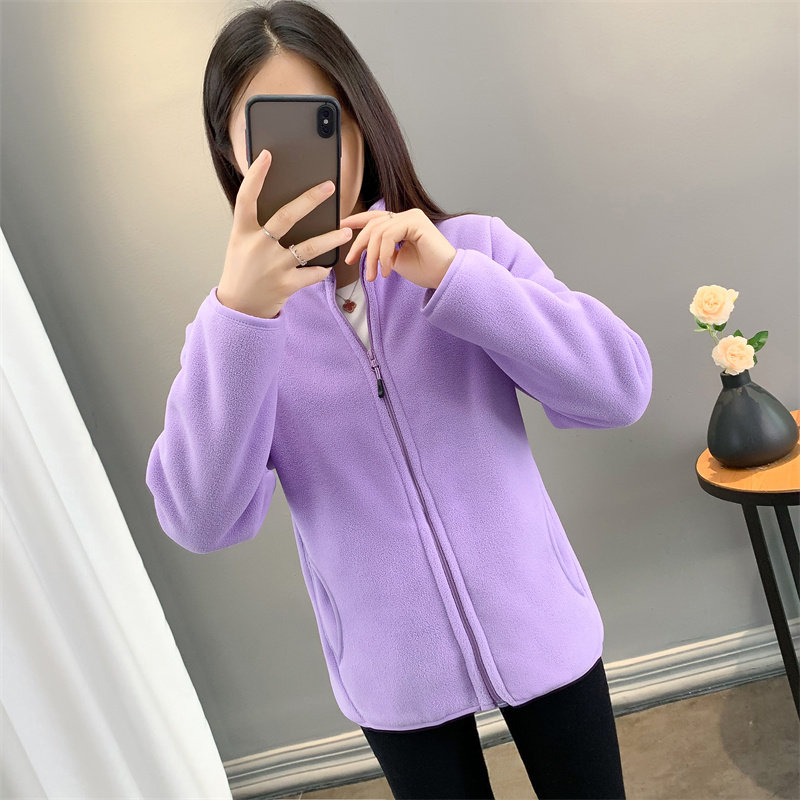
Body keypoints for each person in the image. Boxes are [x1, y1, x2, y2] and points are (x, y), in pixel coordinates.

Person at [146, 2, 651, 797]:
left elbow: (618, 391)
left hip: (542, 628)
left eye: (325, 120)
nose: (310, 157)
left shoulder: (472, 251)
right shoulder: (235, 333)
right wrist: (240, 319)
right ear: (232, 154)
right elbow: (200, 520)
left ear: (361, 120)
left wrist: (455, 280)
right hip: (394, 676)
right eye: (270, 133)